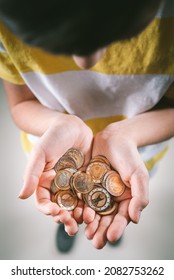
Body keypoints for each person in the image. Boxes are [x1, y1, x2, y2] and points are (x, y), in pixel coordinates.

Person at [0, 0, 174, 252]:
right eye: (58, 44)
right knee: (63, 206)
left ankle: (98, 216)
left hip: (138, 156)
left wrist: (128, 134)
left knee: (122, 196)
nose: (86, 61)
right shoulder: (6, 25)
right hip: (52, 152)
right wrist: (58, 123)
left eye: (114, 36)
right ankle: (66, 223)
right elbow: (20, 105)